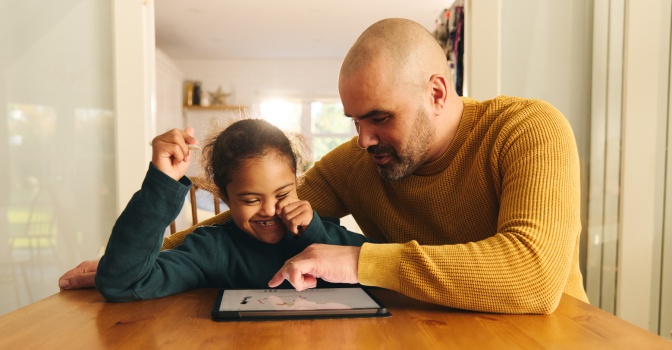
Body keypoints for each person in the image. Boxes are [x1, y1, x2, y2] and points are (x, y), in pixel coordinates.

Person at [60, 18, 587, 314]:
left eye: (379, 117)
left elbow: (535, 278)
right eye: (355, 120)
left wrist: (359, 262)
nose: (363, 139)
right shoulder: (360, 161)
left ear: (436, 91)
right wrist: (134, 259)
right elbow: (256, 218)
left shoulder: (528, 130)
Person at [94, 119, 380, 301]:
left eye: (283, 193)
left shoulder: (327, 235)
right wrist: (161, 184)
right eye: (251, 199)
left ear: (297, 183)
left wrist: (317, 233)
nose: (270, 210)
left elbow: (385, 271)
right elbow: (123, 284)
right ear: (225, 198)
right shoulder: (212, 249)